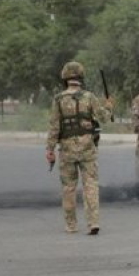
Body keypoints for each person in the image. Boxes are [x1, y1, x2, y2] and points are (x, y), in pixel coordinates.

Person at [45, 62, 114, 234]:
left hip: (67, 149)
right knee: (90, 184)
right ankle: (93, 222)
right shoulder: (89, 97)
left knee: (68, 187)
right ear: (80, 77)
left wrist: (50, 149)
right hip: (87, 148)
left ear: (65, 78)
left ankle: (71, 225)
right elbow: (104, 118)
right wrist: (109, 107)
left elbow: (54, 126)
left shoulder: (58, 99)